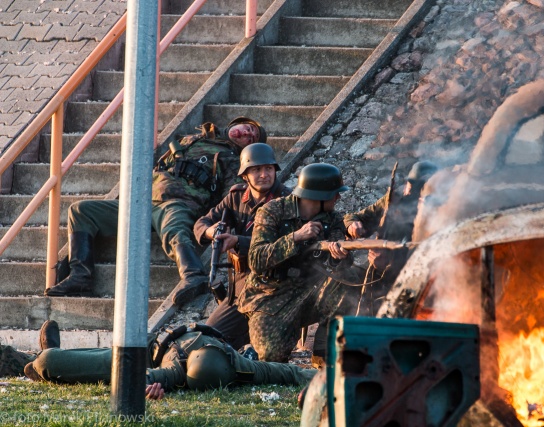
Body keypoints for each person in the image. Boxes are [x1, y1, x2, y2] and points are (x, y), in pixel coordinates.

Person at [46, 117, 267, 307]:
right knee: (81, 211)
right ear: (236, 124)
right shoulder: (190, 140)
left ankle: (193, 275)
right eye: (248, 127)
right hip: (144, 200)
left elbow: (234, 196)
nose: (248, 132)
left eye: (251, 136)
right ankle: (80, 275)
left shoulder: (231, 158)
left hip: (178, 203)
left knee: (175, 230)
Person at [237, 163, 362, 362]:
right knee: (271, 356)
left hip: (308, 290)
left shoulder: (333, 218)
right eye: (334, 194)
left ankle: (323, 349)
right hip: (271, 296)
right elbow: (256, 259)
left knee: (350, 277)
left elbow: (341, 261)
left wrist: (341, 256)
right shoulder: (272, 211)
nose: (338, 198)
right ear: (318, 197)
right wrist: (295, 237)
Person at [0, 320, 315, 398]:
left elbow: (139, 381)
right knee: (56, 361)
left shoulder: (181, 373)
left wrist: (147, 391)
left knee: (49, 363)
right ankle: (47, 355)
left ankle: (42, 357)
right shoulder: (242, 365)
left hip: (152, 353)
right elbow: (286, 372)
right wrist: (321, 379)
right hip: (156, 343)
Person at [193, 143, 291, 350]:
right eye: (256, 170)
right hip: (240, 290)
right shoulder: (236, 197)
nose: (264, 175)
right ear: (245, 175)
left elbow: (282, 243)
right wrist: (213, 232)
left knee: (266, 350)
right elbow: (200, 224)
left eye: (268, 169)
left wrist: (238, 242)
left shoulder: (287, 200)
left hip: (273, 288)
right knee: (209, 339)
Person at [343, 160, 439, 315]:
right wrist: (352, 225)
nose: (410, 191)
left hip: (418, 281)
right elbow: (355, 218)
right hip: (381, 278)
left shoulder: (441, 209)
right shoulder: (393, 201)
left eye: (419, 187)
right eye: (411, 185)